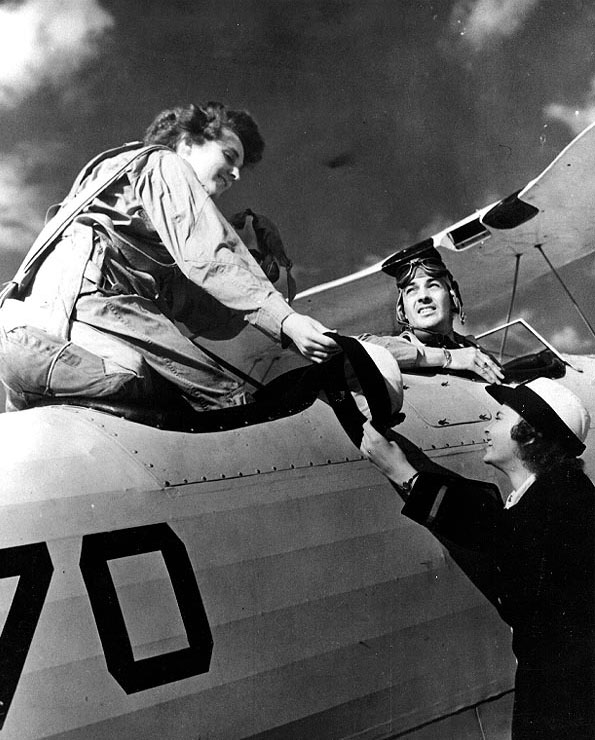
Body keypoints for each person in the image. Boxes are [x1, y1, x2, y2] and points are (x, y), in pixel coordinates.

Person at [0, 102, 338, 412]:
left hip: (24, 343)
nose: (235, 175)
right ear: (188, 143)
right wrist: (286, 320)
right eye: (229, 156)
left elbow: (205, 314)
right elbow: (209, 258)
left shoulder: (120, 197)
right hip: (83, 316)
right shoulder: (162, 162)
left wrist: (260, 274)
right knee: (227, 401)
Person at [360, 377, 595, 739]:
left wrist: (403, 474)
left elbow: (500, 533)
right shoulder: (559, 494)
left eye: (498, 418)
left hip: (564, 699)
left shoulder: (561, 502)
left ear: (528, 434)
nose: (487, 427)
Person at [360, 243, 503, 385]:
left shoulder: (475, 352)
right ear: (402, 310)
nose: (423, 296)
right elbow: (352, 347)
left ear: (453, 297)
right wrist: (448, 357)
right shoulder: (390, 348)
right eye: (411, 290)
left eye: (433, 285)